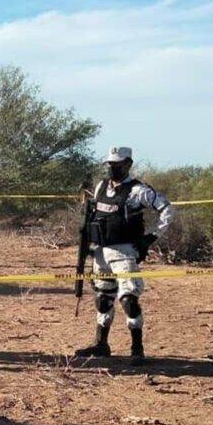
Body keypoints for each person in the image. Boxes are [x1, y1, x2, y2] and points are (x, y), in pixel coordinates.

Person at [74, 147, 174, 366]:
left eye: (117, 165)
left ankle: (137, 349)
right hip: (100, 252)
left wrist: (151, 237)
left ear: (128, 164)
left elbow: (167, 209)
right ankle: (101, 344)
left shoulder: (138, 190)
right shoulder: (101, 187)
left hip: (125, 252)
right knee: (103, 298)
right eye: (109, 164)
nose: (112, 168)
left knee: (128, 298)